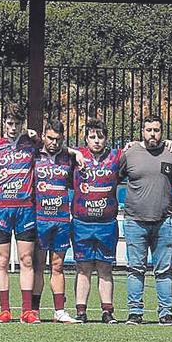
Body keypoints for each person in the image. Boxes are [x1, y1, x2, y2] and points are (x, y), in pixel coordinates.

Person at [119, 114, 172, 324]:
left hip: (164, 221)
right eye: (148, 130)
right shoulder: (129, 153)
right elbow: (114, 175)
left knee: (164, 270)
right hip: (134, 221)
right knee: (135, 269)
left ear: (162, 131)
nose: (152, 134)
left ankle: (166, 313)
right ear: (142, 131)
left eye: (156, 130)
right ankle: (134, 313)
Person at [0, 107, 37, 322]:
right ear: (3, 123)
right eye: (9, 123)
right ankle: (4, 310)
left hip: (25, 209)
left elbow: (58, 147)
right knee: (2, 259)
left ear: (22, 124)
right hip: (1, 209)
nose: (13, 127)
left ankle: (27, 311)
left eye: (17, 123)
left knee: (27, 259)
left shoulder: (32, 144)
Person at [71, 120, 122, 323]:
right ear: (85, 139)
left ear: (106, 138)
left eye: (100, 137)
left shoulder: (115, 157)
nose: (96, 141)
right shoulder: (76, 156)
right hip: (81, 223)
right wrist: (73, 152)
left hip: (107, 224)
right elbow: (47, 145)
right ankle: (81, 311)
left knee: (105, 267)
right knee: (82, 268)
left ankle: (107, 311)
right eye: (92, 137)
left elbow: (137, 148)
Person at [30, 121, 77, 322]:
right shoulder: (34, 155)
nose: (54, 142)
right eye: (50, 138)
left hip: (61, 219)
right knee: (38, 265)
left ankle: (59, 311)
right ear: (43, 136)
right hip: (39, 219)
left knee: (57, 266)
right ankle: (34, 310)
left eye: (58, 139)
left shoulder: (69, 158)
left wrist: (75, 152)